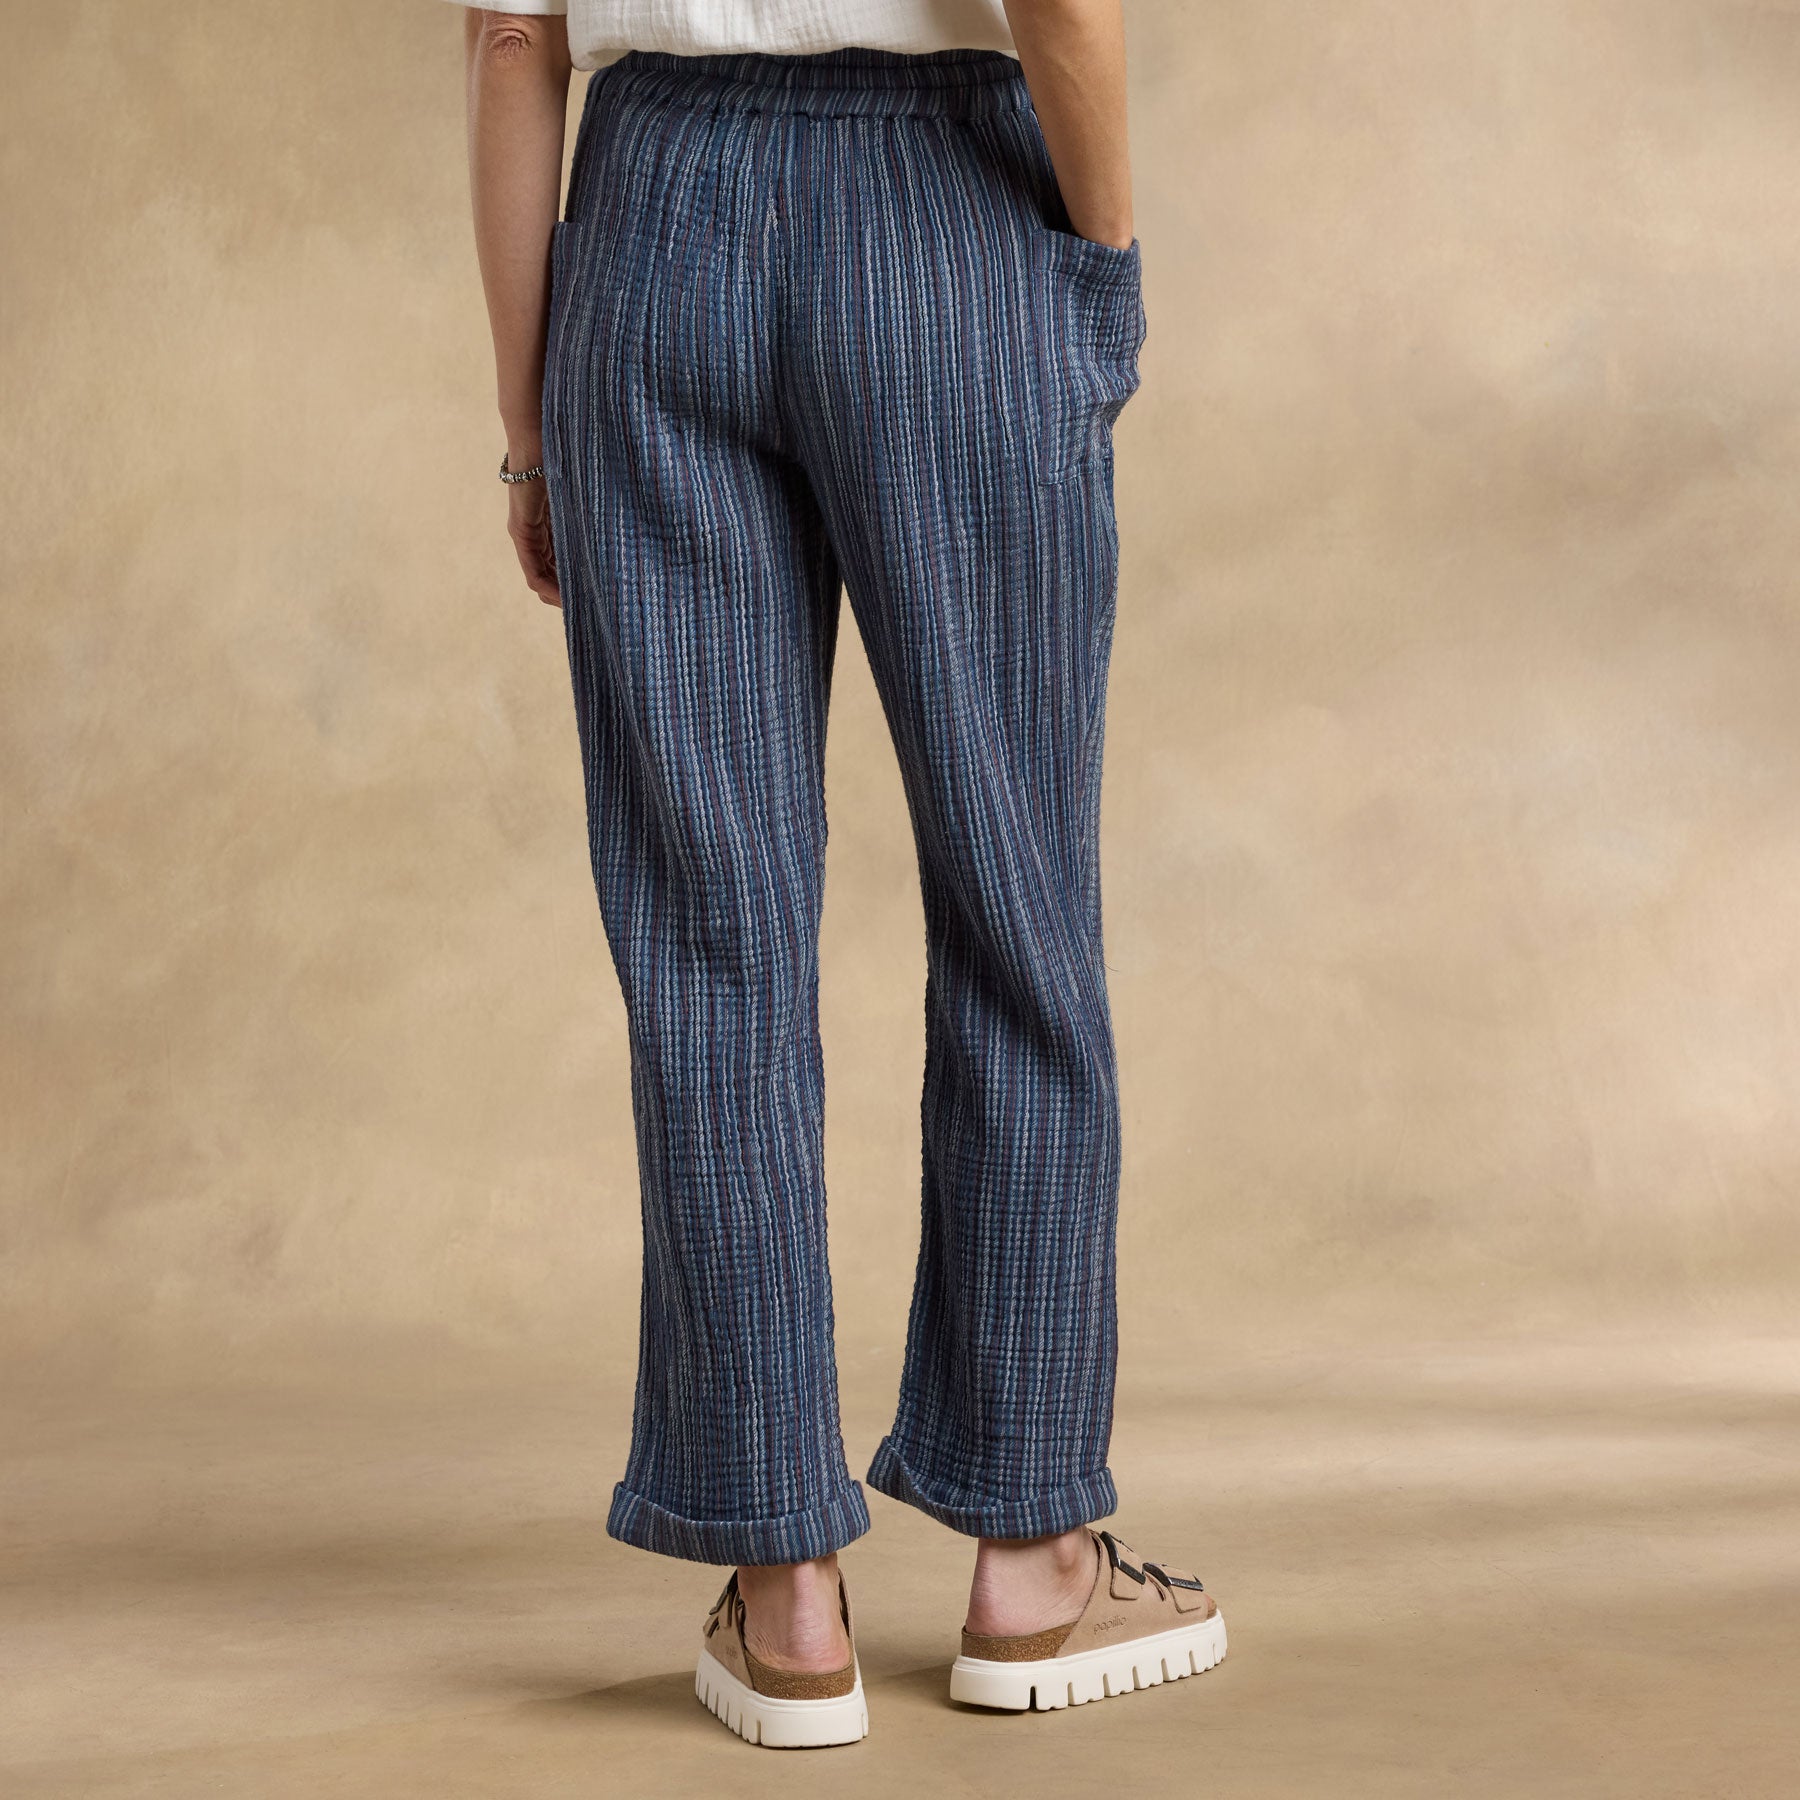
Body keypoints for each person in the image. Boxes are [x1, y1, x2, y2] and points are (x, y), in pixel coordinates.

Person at [450, 0, 1225, 1746]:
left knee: (708, 945)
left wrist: (529, 421)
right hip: (949, 214)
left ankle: (785, 1594)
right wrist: (1102, 265)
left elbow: (509, 42)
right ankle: (1033, 1559)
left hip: (647, 229)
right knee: (1017, 909)